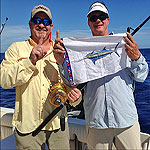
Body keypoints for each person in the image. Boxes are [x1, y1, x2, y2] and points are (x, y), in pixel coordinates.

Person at [53, 1, 149, 150]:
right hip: (97, 122)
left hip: (126, 120)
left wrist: (136, 57)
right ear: (89, 23)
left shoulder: (126, 45)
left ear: (108, 20)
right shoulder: (78, 52)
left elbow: (142, 76)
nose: (98, 20)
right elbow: (70, 82)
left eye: (102, 16)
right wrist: (60, 62)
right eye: (93, 18)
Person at [0, 4, 81, 150]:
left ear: (51, 26)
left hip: (58, 125)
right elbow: (4, 81)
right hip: (27, 128)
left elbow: (73, 87)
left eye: (46, 22)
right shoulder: (16, 48)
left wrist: (76, 98)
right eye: (37, 20)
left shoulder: (63, 51)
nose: (41, 25)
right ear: (30, 24)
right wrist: (30, 61)